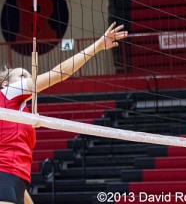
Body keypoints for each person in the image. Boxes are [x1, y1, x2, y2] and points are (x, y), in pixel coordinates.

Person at [0, 23, 128, 204]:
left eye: (30, 77)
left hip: (16, 179)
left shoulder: (20, 113)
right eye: (23, 76)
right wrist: (98, 45)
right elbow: (59, 73)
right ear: (6, 84)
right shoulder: (8, 92)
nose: (29, 80)